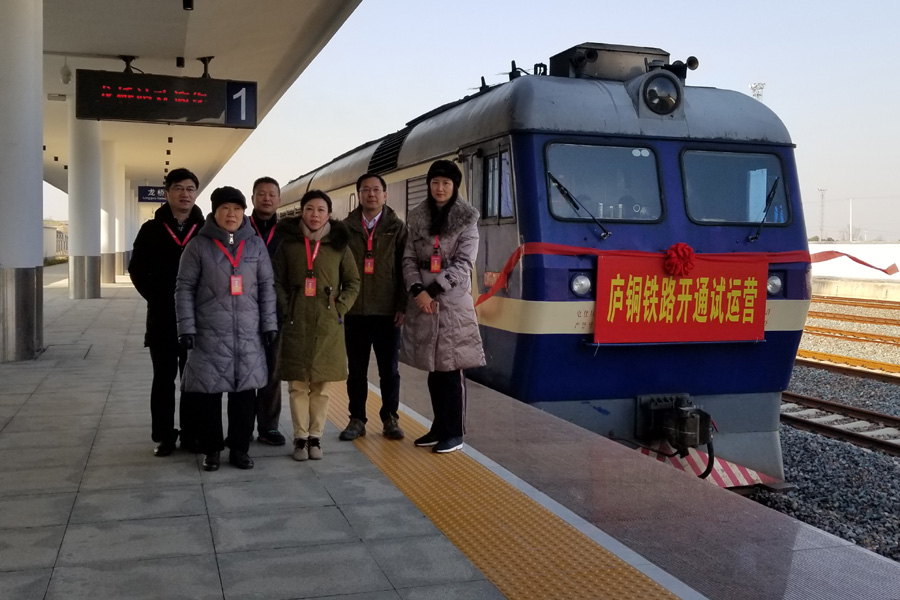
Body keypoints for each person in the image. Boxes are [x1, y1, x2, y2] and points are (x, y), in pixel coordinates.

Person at [174, 186, 277, 471]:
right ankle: (211, 450)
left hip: (248, 334)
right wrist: (186, 328)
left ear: (244, 212)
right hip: (209, 334)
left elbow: (267, 287)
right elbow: (184, 288)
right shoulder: (198, 246)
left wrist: (269, 324)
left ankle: (239, 449)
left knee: (244, 395)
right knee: (208, 395)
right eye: (225, 209)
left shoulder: (255, 245)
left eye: (237, 209)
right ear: (215, 212)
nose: (231, 214)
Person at [400, 160, 485, 454]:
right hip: (423, 302)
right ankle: (438, 427)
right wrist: (416, 290)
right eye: (435, 182)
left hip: (452, 303)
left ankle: (455, 432)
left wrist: (432, 291)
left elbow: (464, 263)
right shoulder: (417, 217)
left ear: (455, 186)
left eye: (446, 183)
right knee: (433, 368)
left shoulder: (467, 220)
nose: (440, 188)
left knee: (451, 368)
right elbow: (409, 258)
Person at [273, 190, 360, 461]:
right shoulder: (288, 244)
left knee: (322, 386)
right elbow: (276, 281)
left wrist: (340, 308)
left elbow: (353, 282)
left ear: (329, 214)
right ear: (302, 212)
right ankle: (300, 437)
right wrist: (287, 306)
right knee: (297, 385)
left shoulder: (339, 246)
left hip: (327, 324)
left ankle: (316, 437)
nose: (315, 215)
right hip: (296, 322)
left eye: (321, 210)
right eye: (310, 209)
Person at [128, 167, 206, 457]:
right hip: (162, 317)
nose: (185, 194)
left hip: (197, 319)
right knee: (163, 378)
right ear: (167, 193)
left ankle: (192, 433)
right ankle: (164, 436)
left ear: (196, 194)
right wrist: (158, 297)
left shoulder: (205, 230)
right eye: (179, 188)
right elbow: (137, 270)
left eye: (190, 189)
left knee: (193, 378)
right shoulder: (151, 229)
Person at [339, 173, 407, 442]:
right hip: (355, 311)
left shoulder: (397, 228)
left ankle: (390, 417)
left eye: (376, 190)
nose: (371, 194)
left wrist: (402, 304)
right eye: (365, 190)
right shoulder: (345, 228)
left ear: (385, 195)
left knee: (389, 370)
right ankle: (357, 419)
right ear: (358, 195)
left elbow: (405, 268)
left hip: (387, 311)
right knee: (356, 370)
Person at [248, 176, 286, 446]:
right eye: (261, 194)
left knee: (273, 369)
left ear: (279, 200)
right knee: (244, 368)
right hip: (243, 310)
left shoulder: (287, 232)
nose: (267, 199)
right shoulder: (240, 228)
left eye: (272, 194)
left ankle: (269, 427)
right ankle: (242, 427)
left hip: (277, 310)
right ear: (252, 198)